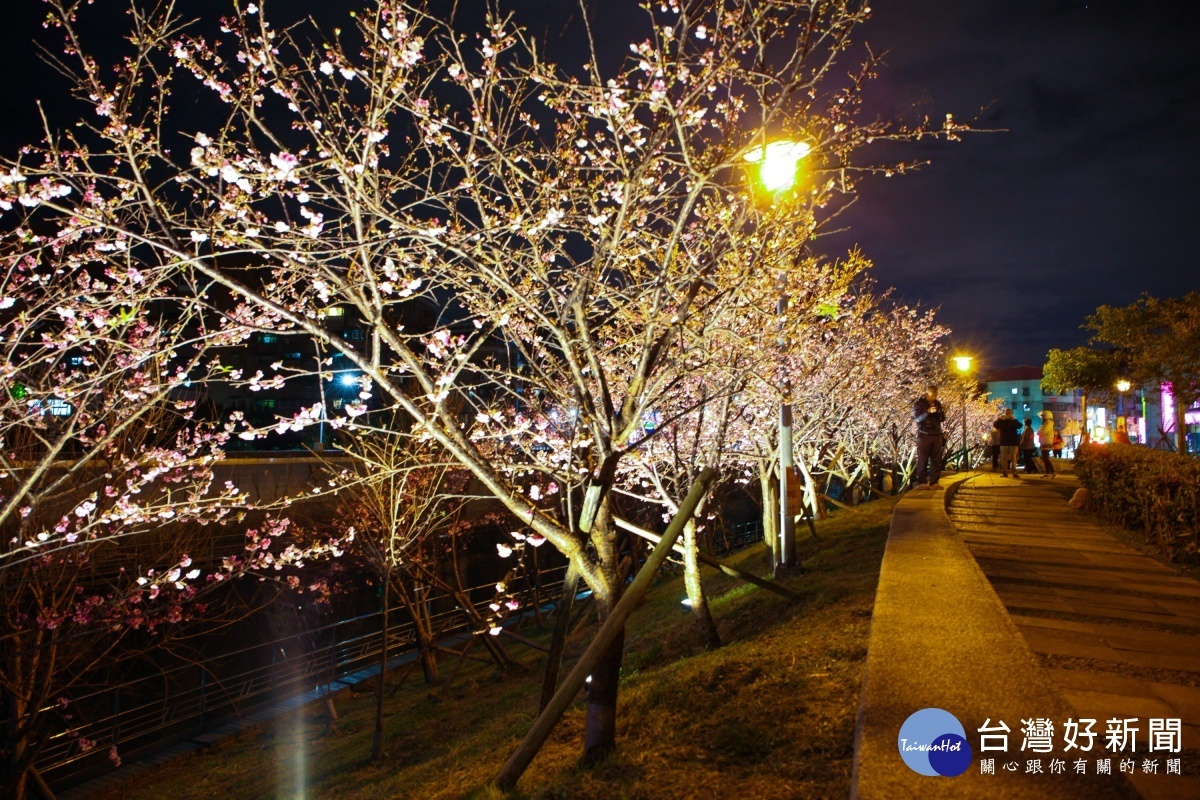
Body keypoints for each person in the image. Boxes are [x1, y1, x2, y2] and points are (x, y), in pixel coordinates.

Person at [912, 386, 946, 490]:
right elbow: (917, 418)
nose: (934, 397)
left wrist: (942, 411)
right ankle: (921, 482)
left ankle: (934, 482)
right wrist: (927, 412)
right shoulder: (919, 404)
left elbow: (942, 419)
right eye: (932, 395)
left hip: (937, 434)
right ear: (927, 394)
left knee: (936, 460)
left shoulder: (938, 404)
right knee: (923, 458)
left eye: (935, 395)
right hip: (925, 434)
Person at [993, 409, 1022, 478]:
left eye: (1010, 413)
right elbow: (995, 425)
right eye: (1007, 413)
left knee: (1013, 458)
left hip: (1013, 442)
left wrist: (1013, 419)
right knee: (1004, 458)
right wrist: (999, 419)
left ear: (1012, 413)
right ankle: (1005, 473)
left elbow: (1020, 425)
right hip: (1004, 442)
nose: (1008, 414)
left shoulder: (1014, 421)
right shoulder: (1002, 421)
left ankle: (1014, 472)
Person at [1037, 411, 1057, 478]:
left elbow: (1042, 432)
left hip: (1046, 442)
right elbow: (1039, 432)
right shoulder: (1045, 423)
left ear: (1046, 416)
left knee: (1045, 458)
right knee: (1044, 458)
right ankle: (1049, 472)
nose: (1041, 418)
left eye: (1042, 416)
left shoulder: (1048, 423)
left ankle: (1051, 472)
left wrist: (1039, 432)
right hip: (1044, 442)